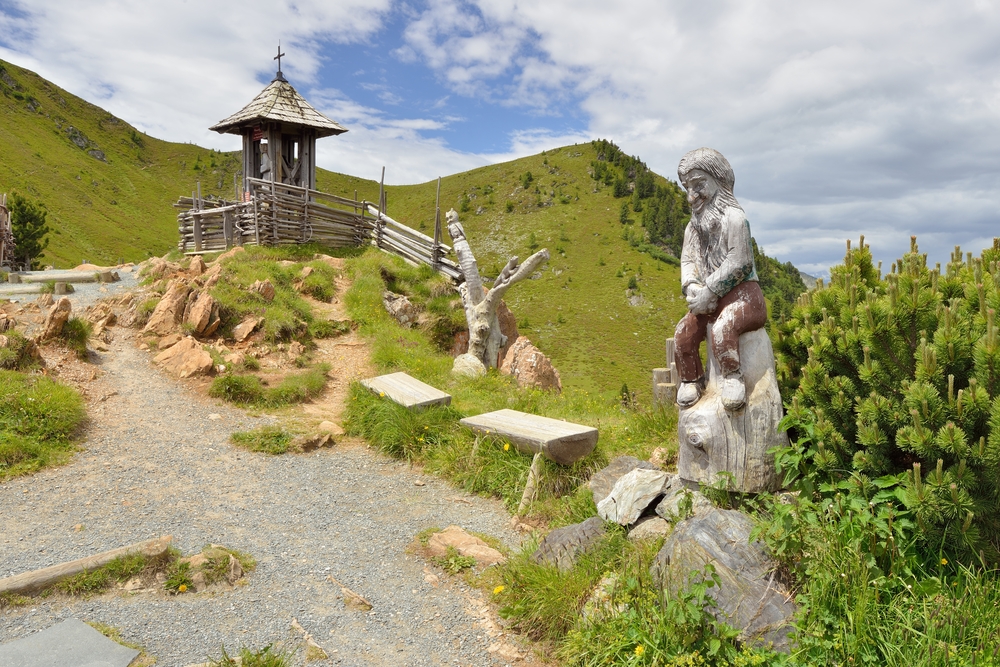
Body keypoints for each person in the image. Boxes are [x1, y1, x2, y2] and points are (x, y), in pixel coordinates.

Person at [674, 148, 767, 411]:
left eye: (699, 185)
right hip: (707, 299)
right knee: (684, 331)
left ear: (719, 180)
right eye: (686, 187)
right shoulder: (692, 227)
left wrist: (711, 289)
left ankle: (731, 376)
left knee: (724, 327)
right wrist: (692, 286)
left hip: (744, 296)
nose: (692, 196)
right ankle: (691, 379)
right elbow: (687, 260)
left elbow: (740, 262)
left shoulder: (734, 219)